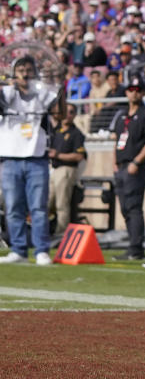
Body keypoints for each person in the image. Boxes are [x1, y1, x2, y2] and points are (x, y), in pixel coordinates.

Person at [0, 56, 64, 265]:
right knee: (13, 207)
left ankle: (41, 250)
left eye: (28, 70)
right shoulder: (6, 93)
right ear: (13, 73)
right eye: (20, 70)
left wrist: (61, 86)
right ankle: (18, 250)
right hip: (10, 158)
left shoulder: (42, 94)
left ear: (35, 73)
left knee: (38, 207)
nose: (25, 74)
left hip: (36, 158)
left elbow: (59, 114)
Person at [107, 75, 145, 261]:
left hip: (134, 167)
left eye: (138, 90)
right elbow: (116, 140)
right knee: (125, 208)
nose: (134, 93)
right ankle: (133, 245)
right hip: (121, 166)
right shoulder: (121, 114)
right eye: (131, 90)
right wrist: (114, 161)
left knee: (134, 207)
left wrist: (137, 162)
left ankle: (136, 247)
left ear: (143, 93)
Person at [47, 103, 86, 236]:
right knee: (46, 203)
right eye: (65, 111)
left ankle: (61, 235)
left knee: (62, 205)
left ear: (74, 115)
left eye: (70, 112)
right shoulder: (56, 130)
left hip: (66, 170)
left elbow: (79, 156)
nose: (67, 115)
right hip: (54, 169)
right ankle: (44, 231)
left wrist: (58, 155)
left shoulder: (76, 134)